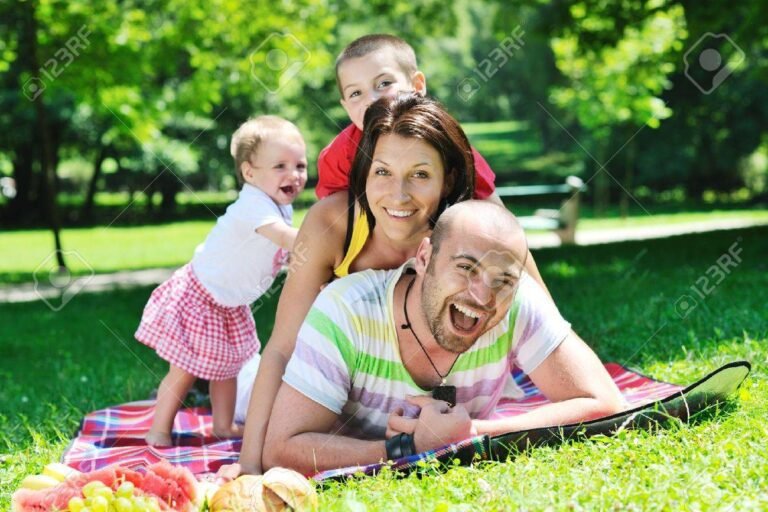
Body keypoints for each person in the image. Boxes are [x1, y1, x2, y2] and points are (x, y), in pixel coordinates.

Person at [262, 201, 625, 474]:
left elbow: (605, 401)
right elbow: (281, 449)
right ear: (424, 256)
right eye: (466, 268)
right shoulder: (347, 310)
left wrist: (471, 433)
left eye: (502, 280)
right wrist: (408, 447)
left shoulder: (517, 300)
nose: (483, 296)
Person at [135, 116, 308, 447]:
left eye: (299, 165)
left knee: (229, 367)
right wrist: (324, 240)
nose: (294, 175)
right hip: (199, 296)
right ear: (249, 173)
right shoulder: (253, 205)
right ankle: (158, 427)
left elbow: (280, 253)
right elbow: (285, 239)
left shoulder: (279, 206)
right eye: (280, 166)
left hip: (228, 304)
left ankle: (224, 426)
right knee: (184, 369)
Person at [316, 33, 500, 203]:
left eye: (384, 83)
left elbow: (494, 210)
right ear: (346, 106)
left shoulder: (447, 139)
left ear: (417, 85)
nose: (371, 100)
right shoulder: (339, 154)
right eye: (356, 93)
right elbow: (329, 215)